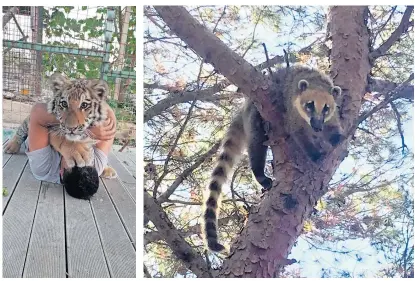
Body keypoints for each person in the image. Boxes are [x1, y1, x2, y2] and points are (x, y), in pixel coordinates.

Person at [23, 103, 116, 197]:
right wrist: (90, 129)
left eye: (75, 159)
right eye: (85, 158)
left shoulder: (44, 169)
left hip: (42, 128)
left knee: (29, 124)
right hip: (69, 123)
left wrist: (65, 144)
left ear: (61, 171)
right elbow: (108, 113)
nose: (79, 153)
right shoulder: (97, 165)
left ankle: (17, 139)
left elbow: (38, 113)